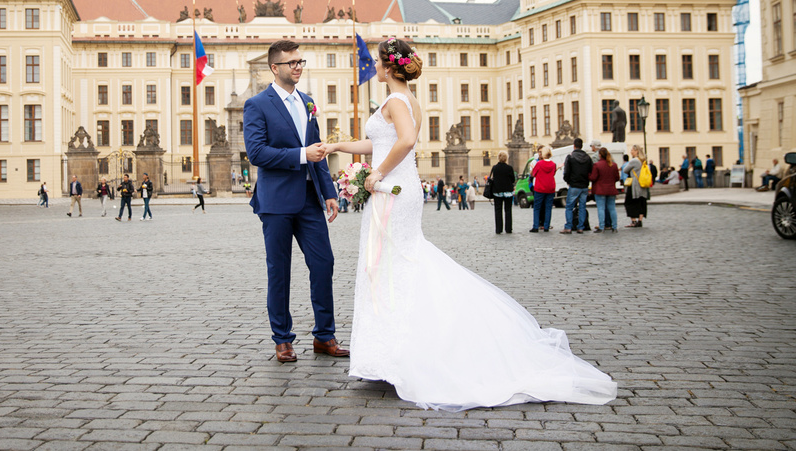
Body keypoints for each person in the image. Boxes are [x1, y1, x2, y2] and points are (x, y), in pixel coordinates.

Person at [324, 37, 616, 410]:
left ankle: (398, 353)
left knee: (391, 266)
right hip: (398, 186)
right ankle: (391, 351)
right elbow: (378, 143)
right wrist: (337, 147)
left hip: (393, 188)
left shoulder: (397, 101)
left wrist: (377, 172)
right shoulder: (405, 99)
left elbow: (407, 140)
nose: (373, 67)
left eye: (377, 62)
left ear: (388, 66)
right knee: (396, 264)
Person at [243, 39, 343, 364]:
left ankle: (324, 335)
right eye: (292, 63)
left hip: (310, 199)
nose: (298, 67)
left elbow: (318, 152)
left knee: (323, 263)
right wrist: (301, 154)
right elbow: (257, 153)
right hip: (276, 202)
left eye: (300, 62)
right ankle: (282, 340)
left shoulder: (309, 102)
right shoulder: (257, 104)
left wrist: (329, 192)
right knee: (280, 272)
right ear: (275, 68)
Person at [561, 138, 593, 235]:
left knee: (569, 206)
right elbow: (591, 171)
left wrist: (568, 181)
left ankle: (568, 227)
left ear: (574, 146)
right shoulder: (588, 158)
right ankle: (580, 227)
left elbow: (566, 172)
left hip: (574, 184)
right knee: (582, 207)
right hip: (584, 185)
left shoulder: (570, 157)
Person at [589, 147, 620, 232]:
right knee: (612, 208)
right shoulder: (613, 165)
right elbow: (617, 177)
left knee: (601, 208)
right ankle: (614, 226)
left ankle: (602, 227)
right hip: (611, 189)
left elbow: (593, 177)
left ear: (600, 155)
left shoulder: (597, 165)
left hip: (600, 190)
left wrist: (588, 174)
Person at [529, 146, 556, 232]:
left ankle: (536, 226)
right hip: (550, 188)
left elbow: (534, 174)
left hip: (540, 188)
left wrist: (533, 168)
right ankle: (546, 226)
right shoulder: (553, 164)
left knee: (537, 208)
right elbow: (553, 173)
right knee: (548, 208)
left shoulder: (539, 164)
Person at [489, 152, 516, 234]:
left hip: (497, 192)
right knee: (508, 210)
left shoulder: (495, 168)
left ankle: (498, 229)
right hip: (508, 192)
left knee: (498, 210)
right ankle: (508, 229)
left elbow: (492, 179)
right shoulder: (509, 168)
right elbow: (513, 180)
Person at [623, 145, 648, 228]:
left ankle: (633, 221)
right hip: (643, 183)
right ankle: (640, 221)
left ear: (637, 151)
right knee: (642, 202)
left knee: (629, 202)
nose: (631, 152)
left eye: (632, 150)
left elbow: (625, 170)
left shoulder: (634, 161)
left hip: (635, 185)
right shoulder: (643, 160)